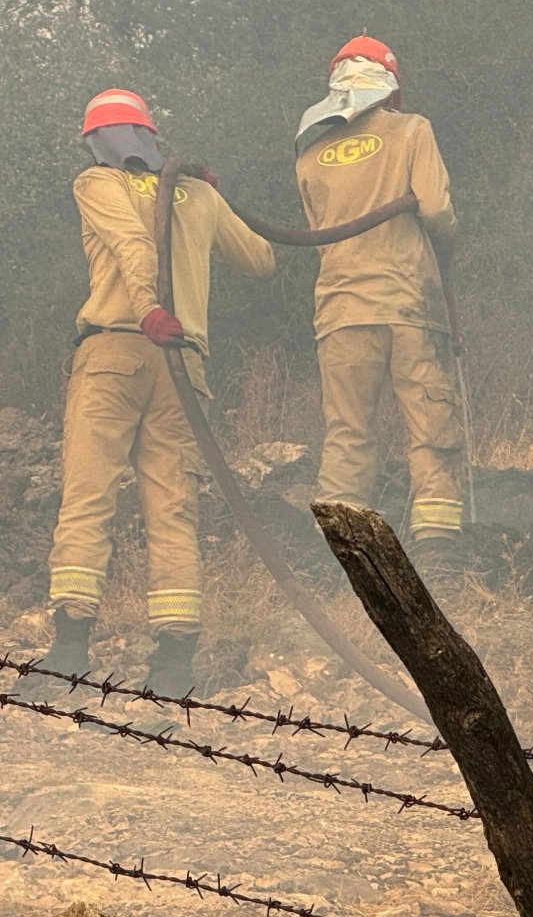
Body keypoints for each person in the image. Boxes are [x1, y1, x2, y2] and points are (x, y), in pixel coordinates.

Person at [41, 88, 275, 694]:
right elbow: (262, 259)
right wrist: (213, 203)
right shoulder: (194, 192)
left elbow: (133, 244)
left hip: (116, 351)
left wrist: (147, 307)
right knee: (173, 508)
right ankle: (173, 667)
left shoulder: (97, 182)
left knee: (88, 497)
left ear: (95, 141)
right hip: (182, 362)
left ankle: (68, 653)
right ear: (150, 135)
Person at [295, 35, 464, 568]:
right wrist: (449, 246)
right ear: (391, 86)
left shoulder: (310, 154)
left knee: (348, 432)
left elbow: (318, 231)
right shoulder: (412, 129)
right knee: (430, 423)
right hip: (408, 303)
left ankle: (343, 556)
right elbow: (436, 210)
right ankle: (437, 548)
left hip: (342, 311)